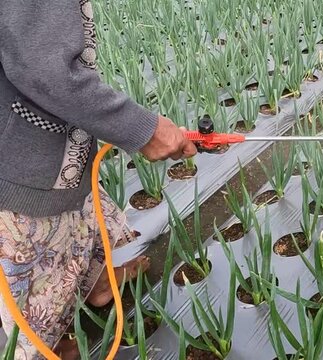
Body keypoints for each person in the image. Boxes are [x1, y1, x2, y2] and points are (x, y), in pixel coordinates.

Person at [0, 0, 198, 358]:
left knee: (77, 224)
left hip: (53, 146)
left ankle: (99, 284)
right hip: (18, 164)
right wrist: (144, 129)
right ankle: (45, 346)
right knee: (36, 263)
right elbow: (47, 71)